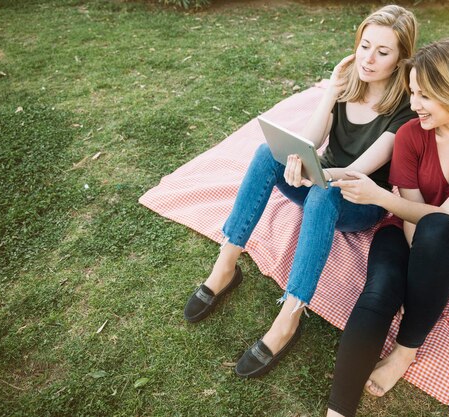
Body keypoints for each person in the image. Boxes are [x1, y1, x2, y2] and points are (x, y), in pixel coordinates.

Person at [183, 5, 418, 378]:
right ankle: (225, 266)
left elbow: (358, 171)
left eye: (383, 52)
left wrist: (315, 179)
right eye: (364, 46)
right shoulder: (348, 83)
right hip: (320, 180)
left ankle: (288, 317)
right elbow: (310, 141)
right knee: (267, 154)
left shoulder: (404, 110)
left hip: (357, 201)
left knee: (326, 192)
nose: (368, 59)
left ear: (401, 59)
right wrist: (331, 92)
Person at [326, 37, 449, 416]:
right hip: (406, 232)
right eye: (412, 92)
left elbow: (443, 223)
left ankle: (405, 351)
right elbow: (413, 221)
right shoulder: (411, 133)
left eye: (424, 95)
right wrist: (413, 270)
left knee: (436, 229)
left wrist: (381, 197)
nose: (413, 104)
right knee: (380, 290)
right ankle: (338, 411)